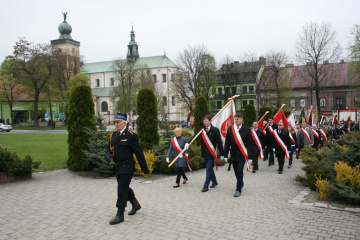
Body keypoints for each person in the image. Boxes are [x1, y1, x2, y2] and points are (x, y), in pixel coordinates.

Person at [105, 113, 149, 225]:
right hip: (117, 167)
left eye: (118, 122)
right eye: (115, 122)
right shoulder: (113, 135)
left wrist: (145, 168)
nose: (116, 124)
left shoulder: (131, 135)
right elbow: (109, 147)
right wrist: (107, 154)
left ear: (124, 122)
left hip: (127, 166)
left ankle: (120, 214)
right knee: (124, 187)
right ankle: (135, 204)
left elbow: (138, 152)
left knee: (121, 189)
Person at [187, 115, 224, 192]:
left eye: (206, 121)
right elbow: (195, 136)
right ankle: (214, 181)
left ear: (210, 121)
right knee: (209, 168)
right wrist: (188, 142)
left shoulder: (215, 130)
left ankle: (205, 186)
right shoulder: (202, 129)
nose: (204, 122)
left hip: (211, 153)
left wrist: (222, 154)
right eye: (204, 121)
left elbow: (219, 142)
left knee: (208, 169)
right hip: (204, 152)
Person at [224, 113, 252, 197]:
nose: (236, 120)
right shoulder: (230, 129)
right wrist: (225, 155)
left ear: (242, 120)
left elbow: (250, 144)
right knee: (236, 171)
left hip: (242, 154)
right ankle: (241, 182)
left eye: (238, 119)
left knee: (240, 171)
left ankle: (238, 189)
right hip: (233, 154)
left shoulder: (247, 129)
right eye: (235, 119)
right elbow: (227, 143)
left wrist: (250, 157)